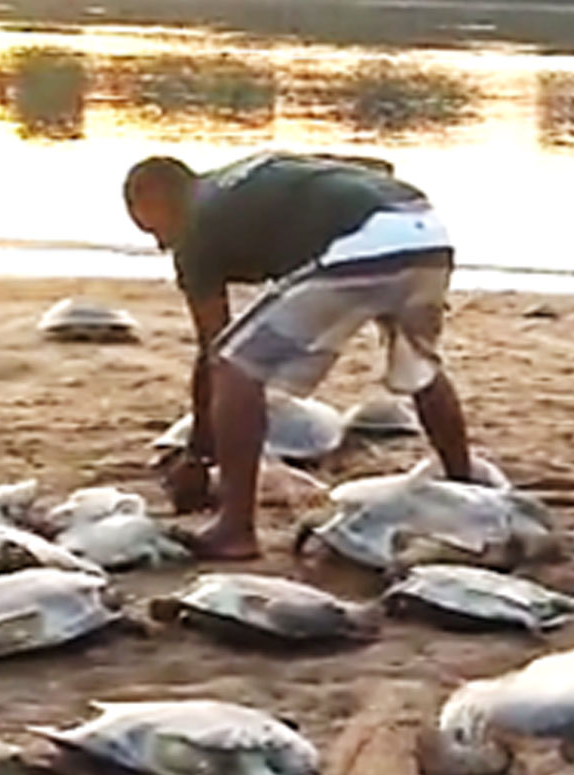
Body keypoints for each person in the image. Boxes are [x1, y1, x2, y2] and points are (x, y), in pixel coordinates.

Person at [122, 149, 477, 559]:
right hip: (425, 231)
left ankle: (235, 529)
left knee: (235, 367)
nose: (161, 244)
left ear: (154, 197)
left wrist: (200, 457)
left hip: (361, 247)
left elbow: (212, 350)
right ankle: (466, 494)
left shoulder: (196, 225)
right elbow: (374, 168)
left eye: (153, 229)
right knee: (420, 367)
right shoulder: (249, 174)